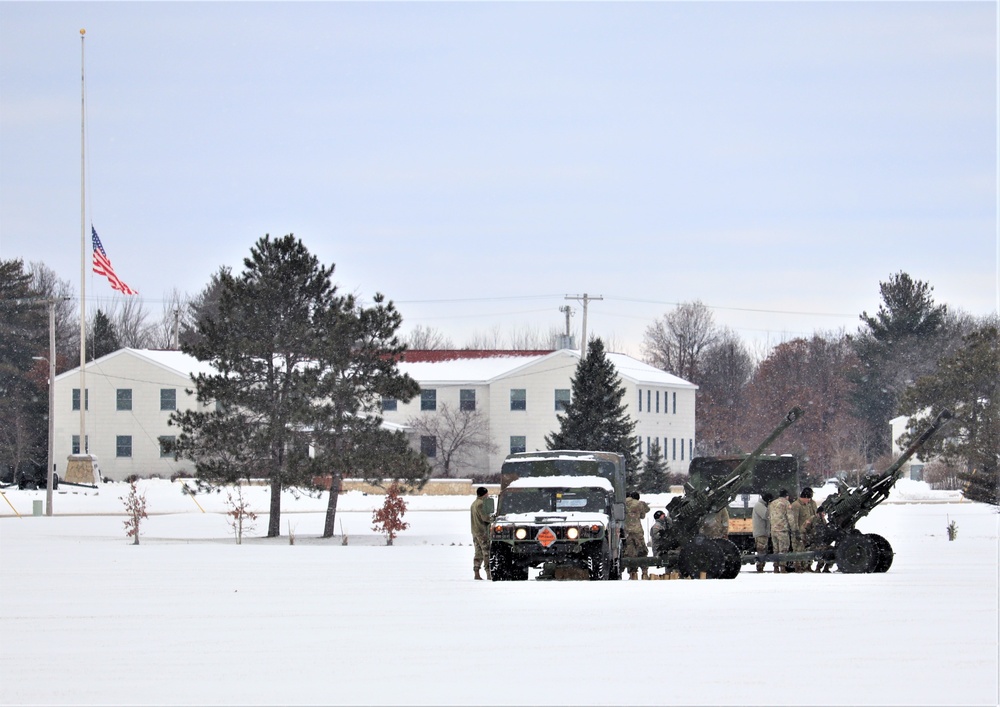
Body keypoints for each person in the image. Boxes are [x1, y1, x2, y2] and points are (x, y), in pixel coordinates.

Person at [789, 487, 818, 571]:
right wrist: (796, 531)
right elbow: (794, 520)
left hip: (806, 532)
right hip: (798, 532)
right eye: (808, 498)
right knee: (797, 550)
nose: (809, 501)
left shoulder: (807, 504)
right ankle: (798, 567)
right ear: (804, 497)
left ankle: (806, 566)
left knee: (806, 549)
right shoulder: (796, 505)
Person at [624, 491, 651, 579]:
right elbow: (643, 516)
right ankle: (644, 573)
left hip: (625, 532)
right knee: (642, 550)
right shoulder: (638, 503)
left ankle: (632, 573)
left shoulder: (621, 504)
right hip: (637, 530)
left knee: (629, 552)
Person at [768, 489, 794, 572]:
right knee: (783, 549)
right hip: (782, 530)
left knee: (775, 549)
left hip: (773, 529)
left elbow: (769, 516)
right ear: (787, 496)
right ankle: (782, 567)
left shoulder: (772, 503)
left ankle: (775, 567)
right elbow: (790, 517)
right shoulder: (786, 503)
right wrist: (793, 529)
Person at [470, 486, 492, 580]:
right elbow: (485, 518)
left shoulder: (473, 504)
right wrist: (493, 518)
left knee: (478, 553)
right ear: (484, 494)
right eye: (487, 493)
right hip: (482, 532)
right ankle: (488, 574)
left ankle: (476, 573)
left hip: (475, 531)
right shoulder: (481, 504)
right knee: (486, 553)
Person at [752, 491, 773, 573]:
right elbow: (766, 515)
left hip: (764, 532)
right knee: (761, 550)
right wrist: (771, 507)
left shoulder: (762, 505)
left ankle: (761, 566)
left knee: (763, 550)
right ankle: (760, 567)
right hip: (761, 532)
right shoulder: (759, 505)